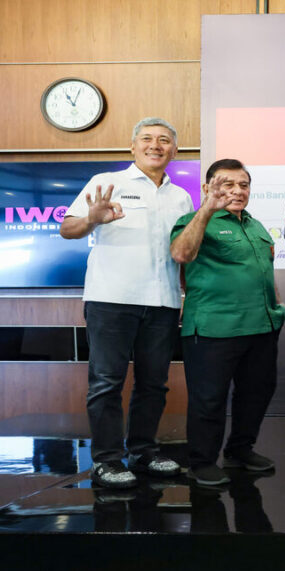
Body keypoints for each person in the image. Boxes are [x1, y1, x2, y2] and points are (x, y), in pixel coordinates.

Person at [60, 117, 191, 489]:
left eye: (164, 140)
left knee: (154, 384)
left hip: (163, 301)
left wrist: (185, 295)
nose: (155, 145)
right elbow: (67, 229)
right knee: (106, 383)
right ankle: (106, 460)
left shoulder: (181, 197)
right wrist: (92, 218)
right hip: (111, 299)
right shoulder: (107, 182)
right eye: (147, 138)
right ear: (133, 147)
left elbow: (182, 252)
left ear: (174, 150)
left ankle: (143, 452)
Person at [170, 159, 285, 487]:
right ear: (207, 187)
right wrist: (207, 210)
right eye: (227, 184)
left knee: (256, 393)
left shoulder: (255, 225)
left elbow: (264, 270)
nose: (237, 191)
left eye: (243, 185)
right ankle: (202, 462)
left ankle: (240, 450)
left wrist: (277, 307)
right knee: (209, 399)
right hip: (213, 328)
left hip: (261, 326)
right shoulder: (192, 220)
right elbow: (181, 254)